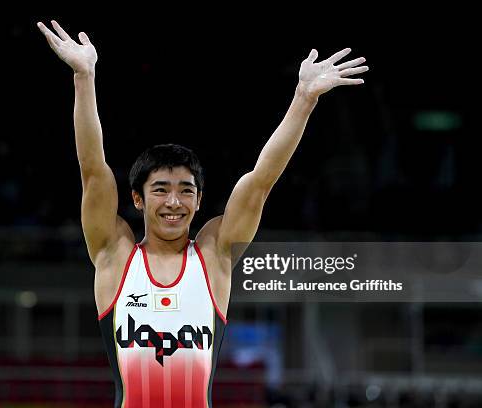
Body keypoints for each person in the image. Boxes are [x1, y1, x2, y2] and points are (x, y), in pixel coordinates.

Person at [37, 19, 368, 408]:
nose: (174, 203)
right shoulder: (115, 253)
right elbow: (92, 169)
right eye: (160, 190)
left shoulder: (214, 255)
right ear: (138, 199)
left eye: (185, 191)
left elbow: (261, 181)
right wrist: (84, 77)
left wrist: (304, 99)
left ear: (198, 201)